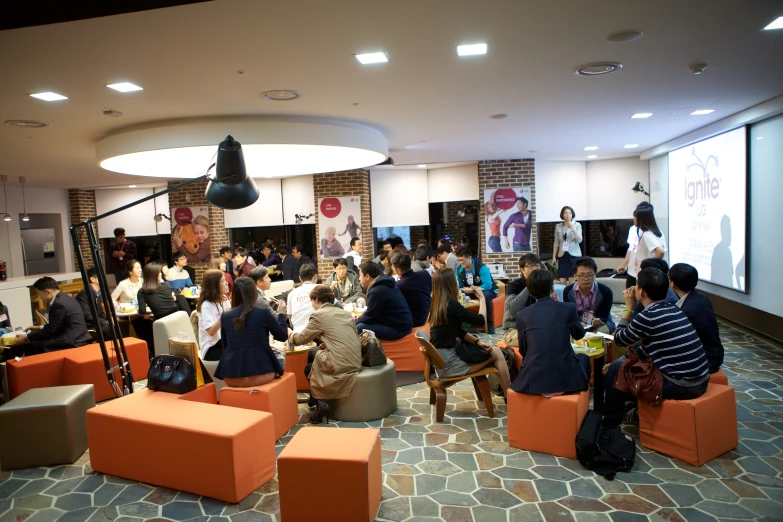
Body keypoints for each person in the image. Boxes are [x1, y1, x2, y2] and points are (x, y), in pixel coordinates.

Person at [602, 268, 709, 428]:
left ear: (642, 292)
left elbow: (619, 339)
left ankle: (610, 423)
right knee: (620, 364)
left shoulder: (648, 316)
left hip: (682, 385)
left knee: (616, 370)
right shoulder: (673, 308)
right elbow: (650, 347)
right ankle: (633, 412)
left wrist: (628, 308)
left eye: (636, 286)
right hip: (700, 379)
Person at [428, 268, 511, 397]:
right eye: (455, 279)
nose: (457, 281)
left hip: (442, 363)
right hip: (450, 366)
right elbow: (480, 321)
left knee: (490, 350)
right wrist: (482, 298)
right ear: (450, 283)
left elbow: (458, 331)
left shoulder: (437, 304)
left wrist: (478, 342)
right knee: (497, 353)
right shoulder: (452, 305)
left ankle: (505, 393)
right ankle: (509, 396)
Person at [510, 269, 591, 396]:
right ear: (552, 289)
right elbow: (579, 334)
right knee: (584, 358)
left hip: (532, 381)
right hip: (565, 380)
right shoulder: (568, 308)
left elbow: (523, 350)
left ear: (530, 291)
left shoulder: (522, 315)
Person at [290, 285, 363, 424]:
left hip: (338, 363)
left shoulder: (318, 315)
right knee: (312, 355)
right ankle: (314, 396)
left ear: (317, 299)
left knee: (310, 363)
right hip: (355, 359)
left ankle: (320, 401)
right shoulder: (344, 313)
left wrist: (290, 335)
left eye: (312, 301)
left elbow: (301, 339)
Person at [214, 277, 287, 388]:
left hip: (231, 375)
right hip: (261, 372)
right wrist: (281, 314)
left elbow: (226, 346)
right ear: (254, 293)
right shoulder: (263, 313)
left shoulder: (225, 316)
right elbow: (282, 337)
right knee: (280, 359)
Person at [5, 277, 92, 356]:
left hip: (72, 340)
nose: (40, 297)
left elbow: (50, 330)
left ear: (48, 292)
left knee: (32, 344)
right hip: (76, 336)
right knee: (33, 340)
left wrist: (27, 337)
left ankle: (33, 369)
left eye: (39, 294)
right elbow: (56, 324)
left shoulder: (59, 304)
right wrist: (39, 327)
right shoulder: (66, 298)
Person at [669, 263, 724, 374]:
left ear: (672, 283)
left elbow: (681, 343)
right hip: (713, 354)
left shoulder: (689, 310)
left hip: (704, 360)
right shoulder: (700, 297)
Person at [355, 261, 413, 340]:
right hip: (403, 324)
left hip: (398, 330)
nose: (359, 278)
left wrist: (354, 322)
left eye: (360, 275)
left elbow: (369, 318)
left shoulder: (377, 291)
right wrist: (362, 317)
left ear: (367, 276)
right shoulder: (384, 283)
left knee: (359, 327)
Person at [562, 257, 616, 334]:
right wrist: (578, 323)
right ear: (575, 276)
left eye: (590, 275)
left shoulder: (605, 291)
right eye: (582, 275)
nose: (586, 279)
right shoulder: (568, 291)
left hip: (599, 322)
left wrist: (598, 320)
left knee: (601, 331)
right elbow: (569, 314)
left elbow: (604, 315)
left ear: (595, 274)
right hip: (577, 322)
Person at [502, 254, 543, 348]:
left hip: (536, 328)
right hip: (514, 330)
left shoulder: (543, 284)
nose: (535, 269)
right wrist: (530, 285)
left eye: (537, 265)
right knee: (538, 339)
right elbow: (512, 309)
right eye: (530, 266)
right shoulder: (514, 285)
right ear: (522, 269)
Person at [455, 247, 498, 334]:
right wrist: (462, 289)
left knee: (485, 297)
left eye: (462, 260)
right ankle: (462, 322)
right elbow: (459, 285)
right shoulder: (459, 269)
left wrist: (474, 290)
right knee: (457, 296)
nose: (460, 262)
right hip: (471, 290)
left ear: (469, 258)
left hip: (487, 290)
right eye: (459, 260)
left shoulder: (481, 267)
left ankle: (489, 324)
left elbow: (488, 285)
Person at [624, 202, 666, 287]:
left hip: (646, 276)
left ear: (641, 218)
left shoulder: (648, 234)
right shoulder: (656, 233)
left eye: (635, 216)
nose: (634, 219)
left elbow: (660, 252)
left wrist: (650, 269)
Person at [196, 269, 231, 361]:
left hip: (223, 341)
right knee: (239, 352)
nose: (227, 283)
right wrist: (224, 316)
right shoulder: (206, 305)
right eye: (223, 281)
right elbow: (211, 332)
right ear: (214, 286)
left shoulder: (224, 299)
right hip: (211, 348)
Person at [392, 251, 432, 327]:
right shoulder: (425, 274)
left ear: (399, 270)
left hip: (414, 320)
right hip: (429, 314)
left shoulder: (399, 285)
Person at [75, 267, 112, 339]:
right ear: (92, 279)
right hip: (87, 325)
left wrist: (109, 319)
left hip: (94, 322)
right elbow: (87, 316)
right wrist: (105, 322)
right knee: (108, 327)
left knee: (115, 325)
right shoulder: (85, 293)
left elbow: (100, 313)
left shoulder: (97, 292)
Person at [552, 206, 583, 284]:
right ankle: (564, 295)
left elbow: (579, 240)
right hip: (562, 255)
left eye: (570, 213)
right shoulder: (558, 226)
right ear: (562, 215)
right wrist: (554, 257)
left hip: (574, 255)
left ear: (572, 214)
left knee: (572, 280)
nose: (568, 215)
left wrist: (573, 228)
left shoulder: (577, 225)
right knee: (562, 280)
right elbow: (556, 242)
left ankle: (572, 296)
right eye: (566, 213)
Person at [287, 263, 320, 333]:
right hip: (317, 334)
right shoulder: (321, 289)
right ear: (315, 277)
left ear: (300, 278)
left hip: (297, 334)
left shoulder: (291, 294)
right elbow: (338, 307)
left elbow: (290, 318)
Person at [711, 214, 735, 289]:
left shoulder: (728, 252)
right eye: (729, 230)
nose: (731, 236)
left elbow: (730, 276)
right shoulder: (718, 250)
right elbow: (713, 275)